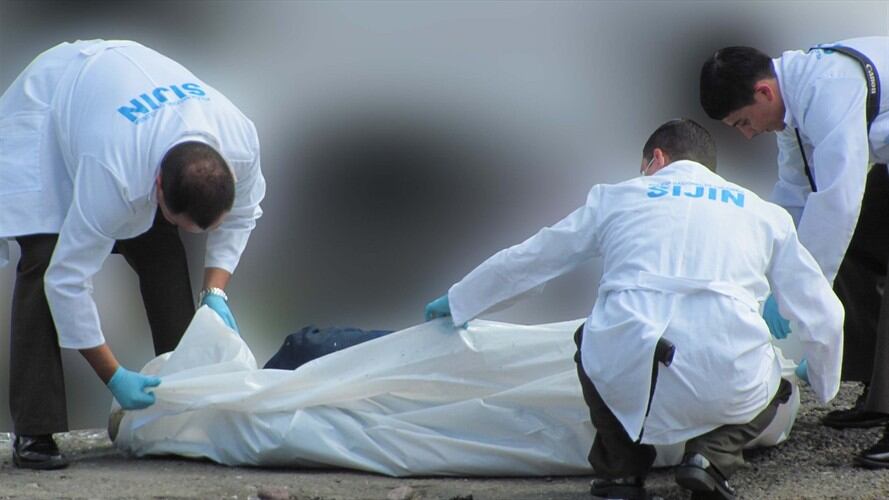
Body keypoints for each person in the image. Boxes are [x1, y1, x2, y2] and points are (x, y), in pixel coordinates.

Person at [424, 119, 843, 500]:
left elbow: (532, 259)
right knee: (775, 382)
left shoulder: (616, 197)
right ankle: (709, 458)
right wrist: (824, 383)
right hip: (724, 369)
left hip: (629, 359)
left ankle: (620, 473)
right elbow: (823, 313)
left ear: (655, 159)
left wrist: (461, 300)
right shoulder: (763, 213)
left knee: (591, 339)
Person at [0, 40, 266, 469]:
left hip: (123, 109)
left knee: (162, 248)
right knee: (45, 257)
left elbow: (242, 216)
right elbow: (67, 280)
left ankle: (185, 400)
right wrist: (114, 376)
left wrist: (215, 293)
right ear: (158, 186)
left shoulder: (239, 139)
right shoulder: (114, 169)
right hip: (51, 106)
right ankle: (35, 431)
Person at [699, 36, 889, 467]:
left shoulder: (828, 86)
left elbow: (838, 197)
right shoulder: (791, 109)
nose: (747, 135)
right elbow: (793, 198)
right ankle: (881, 394)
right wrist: (769, 279)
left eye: (743, 122)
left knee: (844, 228)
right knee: (854, 246)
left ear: (764, 92)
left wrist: (806, 296)